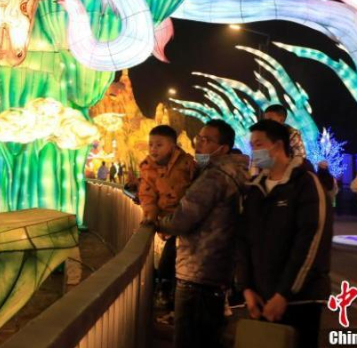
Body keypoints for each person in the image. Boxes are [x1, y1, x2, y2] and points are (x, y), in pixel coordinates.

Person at [154, 119, 250, 348]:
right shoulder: (235, 172)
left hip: (198, 271)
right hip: (216, 272)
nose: (199, 145)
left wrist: (160, 224)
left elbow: (184, 217)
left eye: (207, 141)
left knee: (190, 339)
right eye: (199, 138)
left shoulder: (214, 176)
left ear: (223, 149)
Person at [237, 120, 332, 348]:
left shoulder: (306, 184)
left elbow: (311, 241)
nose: (253, 151)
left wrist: (284, 294)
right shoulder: (255, 189)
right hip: (261, 299)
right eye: (251, 145)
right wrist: (246, 288)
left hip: (300, 301)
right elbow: (243, 240)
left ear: (277, 146)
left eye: (258, 144)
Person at [138, 125, 198, 313]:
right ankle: (167, 294)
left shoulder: (187, 163)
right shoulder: (147, 167)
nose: (153, 149)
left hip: (187, 219)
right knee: (169, 260)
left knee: (174, 261)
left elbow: (197, 186)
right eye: (151, 145)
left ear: (172, 146)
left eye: (159, 145)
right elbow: (147, 195)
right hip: (166, 221)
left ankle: (170, 295)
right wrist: (151, 216)